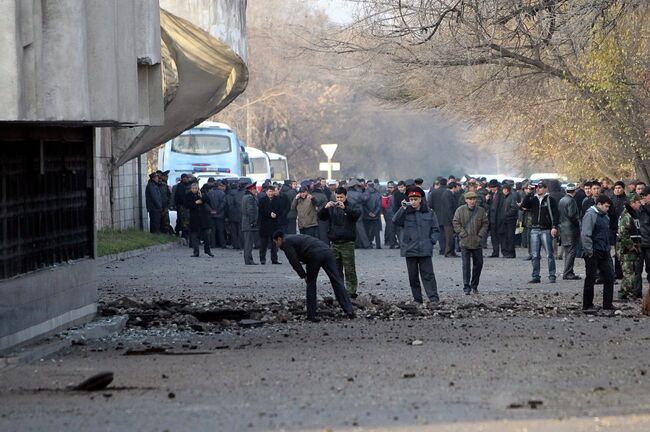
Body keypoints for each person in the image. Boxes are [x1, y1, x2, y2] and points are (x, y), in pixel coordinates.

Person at [273, 231, 356, 322]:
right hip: (327, 251)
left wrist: (303, 275)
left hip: (314, 254)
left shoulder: (286, 242)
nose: (276, 246)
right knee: (337, 281)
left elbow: (294, 261)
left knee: (311, 283)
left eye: (276, 242)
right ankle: (349, 310)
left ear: (279, 239)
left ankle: (311, 315)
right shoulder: (295, 237)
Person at [392, 188, 441, 304]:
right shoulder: (405, 212)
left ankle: (433, 298)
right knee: (413, 277)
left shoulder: (430, 212)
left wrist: (431, 241)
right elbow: (395, 221)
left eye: (416, 199)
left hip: (425, 249)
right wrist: (402, 208)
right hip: (410, 249)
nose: (413, 201)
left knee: (428, 275)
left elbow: (436, 229)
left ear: (420, 200)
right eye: (411, 199)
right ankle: (417, 299)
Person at [318, 187, 362, 298]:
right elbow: (321, 217)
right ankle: (340, 291)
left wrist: (345, 208)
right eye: (337, 197)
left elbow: (357, 215)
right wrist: (325, 208)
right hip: (334, 242)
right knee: (336, 270)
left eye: (341, 197)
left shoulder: (351, 205)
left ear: (345, 196)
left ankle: (351, 291)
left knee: (349, 269)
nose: (339, 199)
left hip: (347, 242)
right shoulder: (332, 206)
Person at [581, 195, 615, 312]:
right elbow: (585, 234)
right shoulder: (590, 215)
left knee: (610, 276)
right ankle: (587, 305)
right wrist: (589, 251)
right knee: (591, 278)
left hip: (604, 251)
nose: (607, 209)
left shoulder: (605, 216)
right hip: (594, 251)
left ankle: (607, 304)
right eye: (606, 206)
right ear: (599, 204)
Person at [521, 182, 559, 283]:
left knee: (549, 254)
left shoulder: (550, 200)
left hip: (545, 229)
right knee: (535, 254)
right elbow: (524, 205)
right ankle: (536, 276)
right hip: (534, 229)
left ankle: (552, 275)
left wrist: (554, 227)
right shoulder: (533, 199)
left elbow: (555, 214)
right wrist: (528, 193)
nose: (539, 189)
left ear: (546, 188)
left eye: (541, 187)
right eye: (537, 187)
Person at [452, 191, 489, 294]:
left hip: (477, 242)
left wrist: (480, 235)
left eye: (474, 199)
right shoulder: (460, 210)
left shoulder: (480, 211)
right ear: (466, 200)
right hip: (465, 242)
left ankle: (474, 285)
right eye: (470, 199)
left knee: (479, 264)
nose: (472, 201)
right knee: (466, 266)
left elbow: (485, 223)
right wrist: (462, 233)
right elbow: (455, 222)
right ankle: (466, 286)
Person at [617, 194, 642, 300]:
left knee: (630, 272)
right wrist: (631, 246)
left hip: (633, 248)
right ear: (632, 203)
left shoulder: (633, 215)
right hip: (626, 250)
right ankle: (625, 294)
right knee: (629, 274)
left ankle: (625, 293)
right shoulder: (627, 215)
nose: (640, 204)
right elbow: (622, 233)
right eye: (638, 202)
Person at [184, 182, 213, 257]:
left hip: (203, 218)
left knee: (206, 235)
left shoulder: (201, 194)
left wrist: (201, 196)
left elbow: (208, 200)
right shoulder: (188, 195)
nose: (194, 190)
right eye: (193, 188)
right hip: (194, 218)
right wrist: (195, 203)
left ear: (198, 188)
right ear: (191, 189)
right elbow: (186, 205)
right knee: (194, 236)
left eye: (196, 188)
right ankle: (196, 252)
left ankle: (207, 250)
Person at [258, 185, 282, 265]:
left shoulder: (277, 200)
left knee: (274, 244)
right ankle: (262, 259)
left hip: (274, 224)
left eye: (272, 191)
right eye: (269, 191)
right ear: (266, 192)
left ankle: (274, 259)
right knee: (263, 243)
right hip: (264, 224)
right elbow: (261, 211)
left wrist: (276, 214)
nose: (271, 193)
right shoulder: (262, 200)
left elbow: (280, 210)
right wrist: (269, 214)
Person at [497, 183, 519, 258]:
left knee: (510, 237)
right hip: (504, 220)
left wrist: (506, 214)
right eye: (503, 189)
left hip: (510, 220)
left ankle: (511, 253)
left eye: (505, 189)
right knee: (505, 236)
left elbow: (514, 208)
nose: (504, 191)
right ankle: (506, 252)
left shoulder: (512, 197)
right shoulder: (504, 197)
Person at [241, 181, 259, 265]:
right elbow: (251, 211)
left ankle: (249, 259)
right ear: (251, 189)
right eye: (255, 189)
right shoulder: (250, 198)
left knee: (248, 242)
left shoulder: (246, 197)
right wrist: (253, 222)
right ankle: (248, 260)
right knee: (249, 243)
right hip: (249, 224)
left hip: (246, 223)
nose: (256, 191)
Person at [363, 181, 382, 249]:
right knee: (377, 232)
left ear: (367, 186)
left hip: (367, 216)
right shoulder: (378, 194)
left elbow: (364, 205)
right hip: (376, 216)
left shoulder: (365, 193)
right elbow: (379, 205)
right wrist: (375, 213)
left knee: (368, 231)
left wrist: (369, 213)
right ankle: (378, 245)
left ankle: (369, 243)